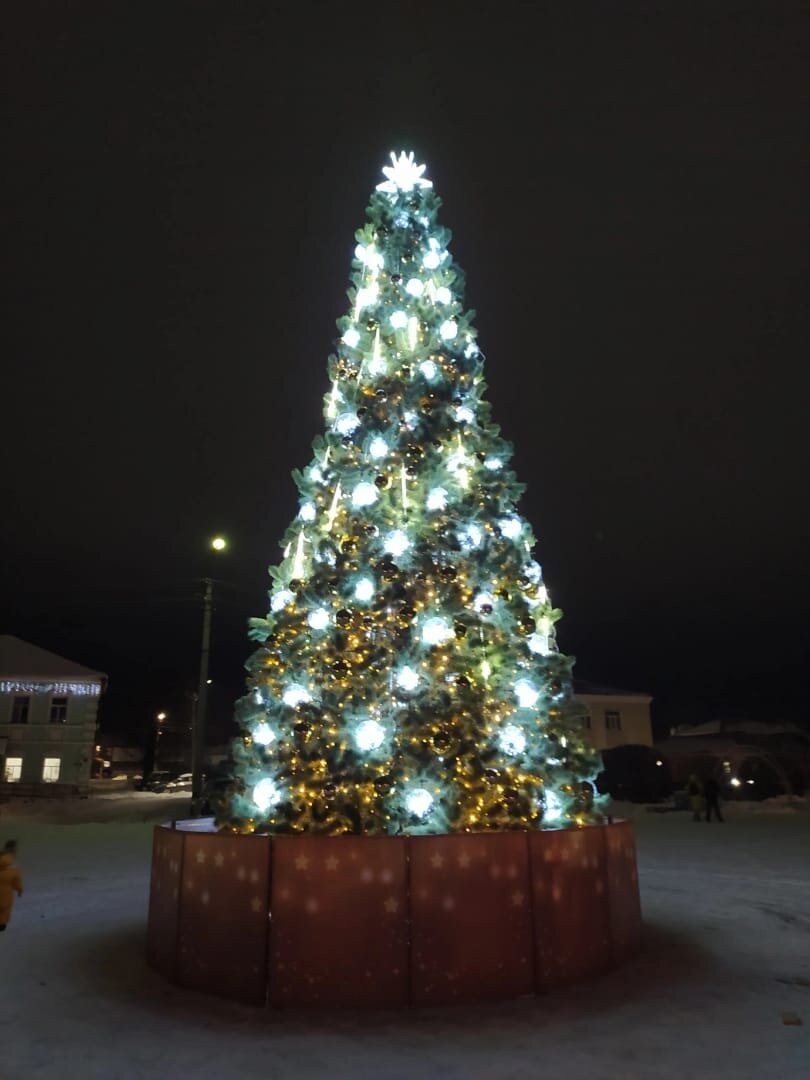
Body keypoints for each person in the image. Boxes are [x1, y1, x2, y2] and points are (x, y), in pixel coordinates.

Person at [0, 840, 24, 932]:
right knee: (4, 908)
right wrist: (19, 890)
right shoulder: (14, 867)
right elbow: (17, 881)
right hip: (6, 893)